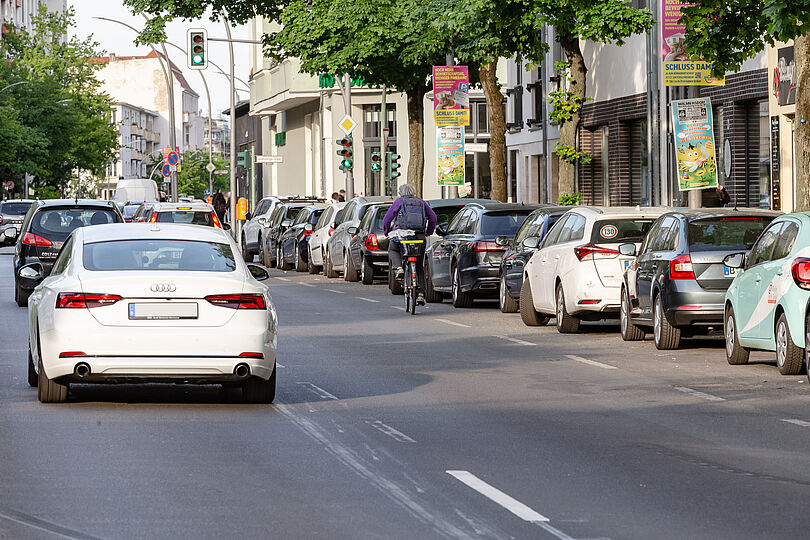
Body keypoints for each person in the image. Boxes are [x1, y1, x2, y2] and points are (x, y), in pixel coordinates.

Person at [382, 184, 437, 306]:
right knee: (419, 264)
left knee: (393, 249)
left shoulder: (399, 202)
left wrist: (386, 232)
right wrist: (428, 232)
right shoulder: (421, 202)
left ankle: (399, 268)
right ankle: (421, 294)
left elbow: (387, 219)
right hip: (419, 236)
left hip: (402, 236)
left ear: (401, 192)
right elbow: (433, 217)